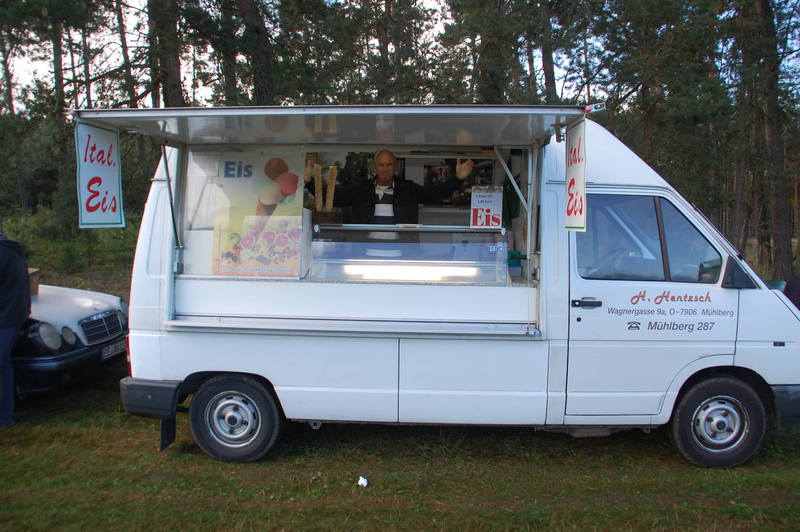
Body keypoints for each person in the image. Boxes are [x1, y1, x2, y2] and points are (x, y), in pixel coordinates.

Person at [309, 149, 473, 224]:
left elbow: (435, 194)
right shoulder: (361, 190)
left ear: (396, 167)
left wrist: (457, 179)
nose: (385, 169)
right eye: (381, 165)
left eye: (389, 165)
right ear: (375, 167)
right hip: (365, 255)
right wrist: (309, 181)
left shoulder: (408, 189)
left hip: (401, 256)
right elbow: (334, 199)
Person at [0, 234, 30, 429]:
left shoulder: (3, 251)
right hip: (11, 312)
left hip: (6, 315)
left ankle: (4, 418)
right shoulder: (9, 248)